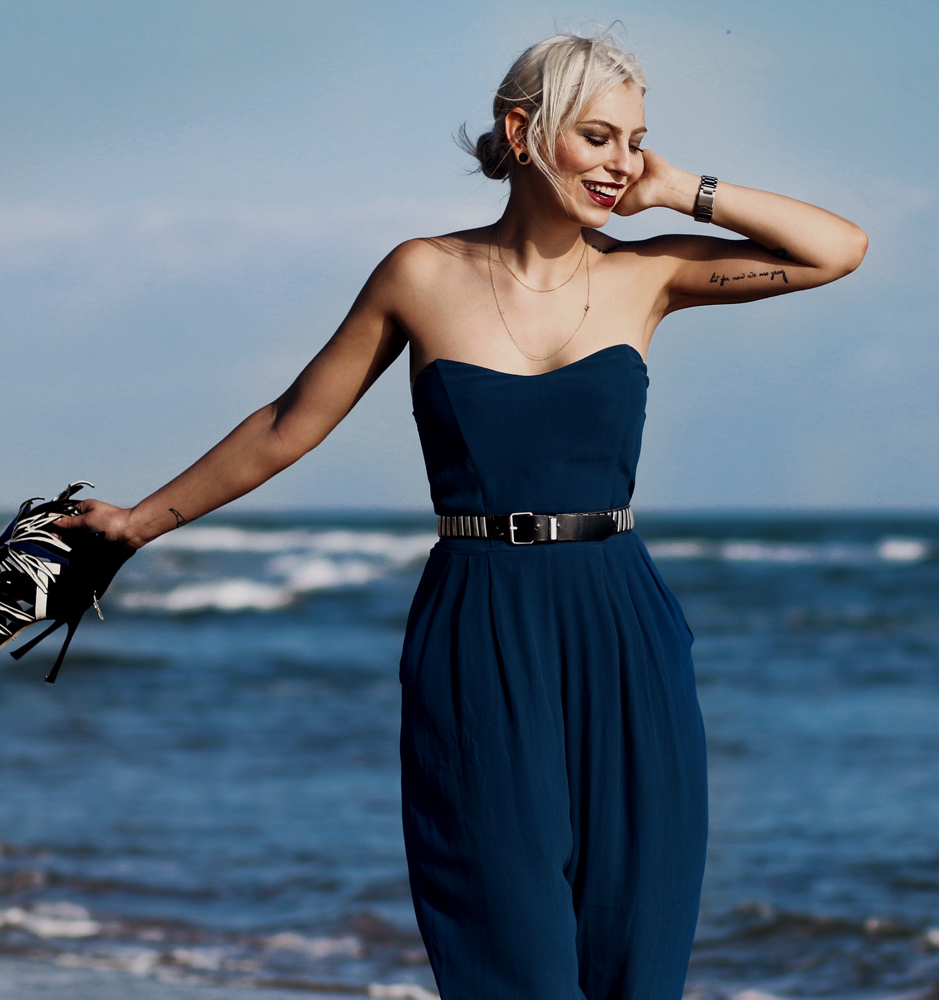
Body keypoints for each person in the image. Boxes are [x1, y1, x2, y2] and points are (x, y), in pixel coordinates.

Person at [57, 30, 866, 1000]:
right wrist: (139, 523)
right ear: (523, 130)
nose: (620, 163)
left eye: (635, 140)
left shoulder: (646, 277)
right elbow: (286, 423)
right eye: (599, 137)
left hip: (622, 626)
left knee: (633, 958)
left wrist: (678, 186)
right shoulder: (420, 276)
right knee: (506, 955)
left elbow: (838, 249)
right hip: (478, 623)